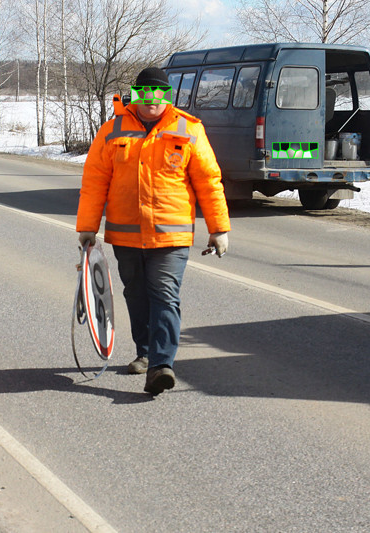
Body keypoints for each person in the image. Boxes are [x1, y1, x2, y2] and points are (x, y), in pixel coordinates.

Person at [76, 67, 230, 395]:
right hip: (126, 234)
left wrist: (218, 228)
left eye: (158, 94)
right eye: (145, 94)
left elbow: (208, 180)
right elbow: (94, 181)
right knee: (136, 293)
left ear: (167, 96)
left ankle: (162, 365)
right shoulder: (112, 130)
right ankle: (145, 352)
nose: (152, 101)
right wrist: (88, 227)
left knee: (164, 293)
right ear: (136, 94)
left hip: (171, 235)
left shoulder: (189, 129)